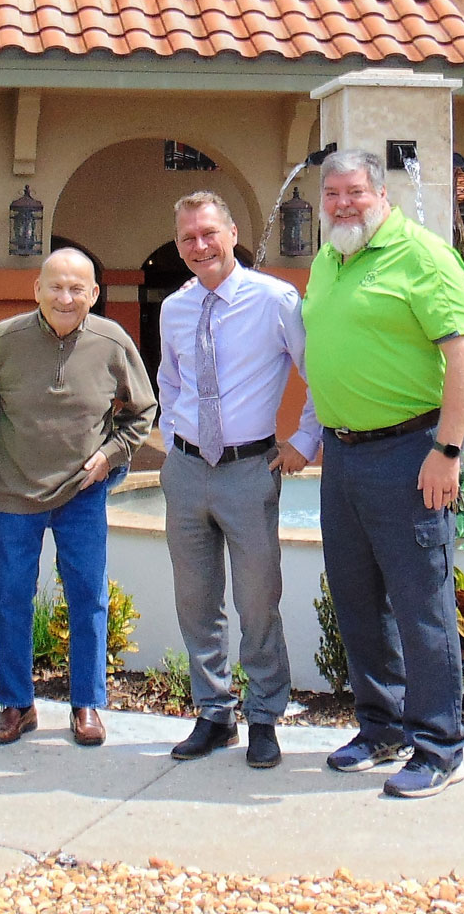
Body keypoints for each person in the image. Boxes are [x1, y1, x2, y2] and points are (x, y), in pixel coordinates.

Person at [302, 148, 464, 799]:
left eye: (355, 192)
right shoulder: (328, 260)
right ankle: (380, 727)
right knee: (355, 600)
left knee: (419, 603)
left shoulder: (422, 255)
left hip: (410, 452)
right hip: (342, 454)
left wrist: (448, 449)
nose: (343, 203)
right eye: (332, 195)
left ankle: (439, 745)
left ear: (382, 195)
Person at [158, 191, 321, 769]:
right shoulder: (174, 308)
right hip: (184, 470)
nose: (199, 246)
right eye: (187, 238)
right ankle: (213, 713)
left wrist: (303, 442)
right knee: (195, 599)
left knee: (257, 600)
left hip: (250, 469)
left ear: (231, 233)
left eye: (209, 233)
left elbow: (317, 373)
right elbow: (171, 380)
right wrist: (168, 434)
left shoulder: (275, 299)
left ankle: (264, 716)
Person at [0, 248, 155, 748]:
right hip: (14, 493)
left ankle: (87, 703)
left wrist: (112, 455)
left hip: (82, 492)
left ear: (94, 294)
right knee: (12, 599)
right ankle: (16, 704)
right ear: (37, 289)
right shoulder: (3, 340)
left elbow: (143, 409)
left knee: (88, 599)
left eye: (79, 288)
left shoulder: (111, 340)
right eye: (56, 286)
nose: (66, 297)